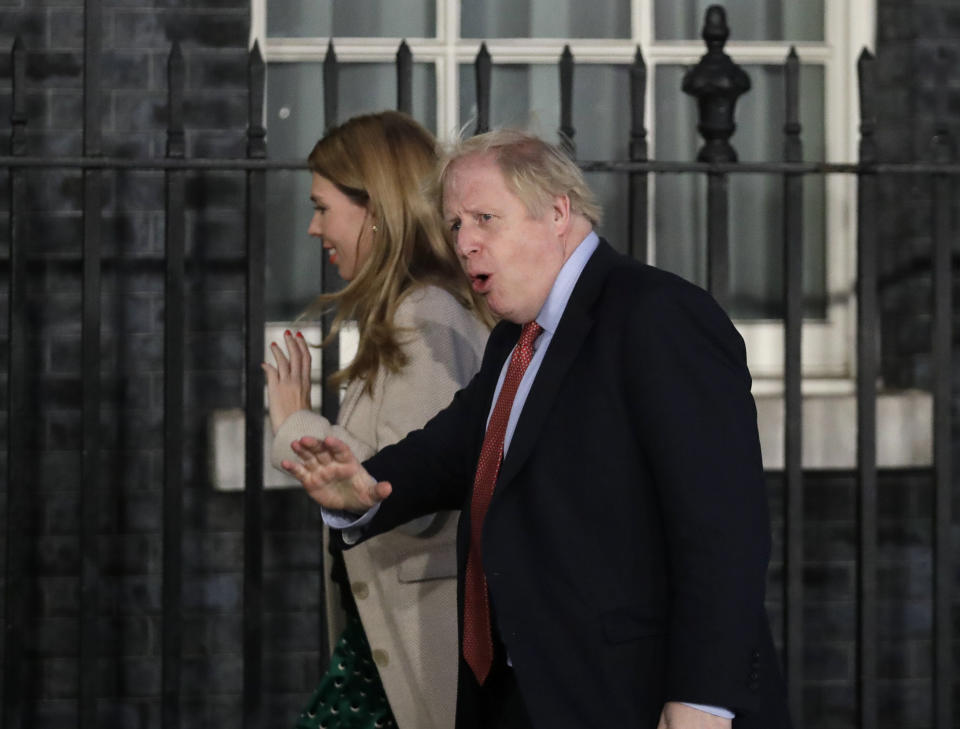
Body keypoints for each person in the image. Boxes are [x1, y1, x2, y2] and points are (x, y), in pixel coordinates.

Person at [281, 129, 792, 729]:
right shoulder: (515, 340)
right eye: (454, 225)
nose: (464, 243)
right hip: (518, 695)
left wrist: (704, 699)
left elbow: (724, 529)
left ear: (557, 212)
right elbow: (451, 452)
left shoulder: (656, 314)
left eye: (484, 219)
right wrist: (364, 490)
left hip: (631, 696)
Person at [263, 111, 492, 729]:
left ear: (375, 210)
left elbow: (410, 498)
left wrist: (291, 420)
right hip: (384, 659)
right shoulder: (417, 312)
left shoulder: (426, 318)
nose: (313, 228)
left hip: (412, 661)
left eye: (323, 207)